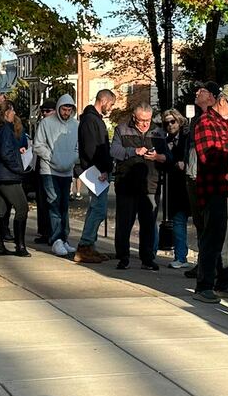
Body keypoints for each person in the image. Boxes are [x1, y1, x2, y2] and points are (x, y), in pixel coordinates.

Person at [191, 83, 228, 304]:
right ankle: (204, 284)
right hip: (215, 189)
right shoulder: (205, 122)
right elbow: (209, 157)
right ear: (223, 101)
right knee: (213, 237)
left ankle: (224, 281)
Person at [110, 103, 167, 271]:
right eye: (141, 120)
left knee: (148, 223)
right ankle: (123, 256)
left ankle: (147, 258)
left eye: (148, 120)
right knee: (124, 223)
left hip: (150, 183)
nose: (144, 124)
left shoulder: (158, 132)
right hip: (127, 184)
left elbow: (168, 157)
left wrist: (158, 157)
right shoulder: (122, 129)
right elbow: (114, 151)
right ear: (134, 118)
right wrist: (134, 151)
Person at [71, 90, 116, 263]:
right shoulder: (91, 120)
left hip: (96, 169)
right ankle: (86, 245)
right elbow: (92, 148)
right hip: (95, 171)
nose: (110, 108)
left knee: (96, 208)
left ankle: (89, 245)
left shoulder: (92, 119)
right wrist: (103, 168)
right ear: (103, 100)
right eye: (110, 104)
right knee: (98, 209)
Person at [0, 99, 30, 256]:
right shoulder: (5, 130)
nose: (15, 113)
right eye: (13, 111)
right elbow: (6, 153)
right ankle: (20, 246)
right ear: (7, 112)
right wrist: (19, 169)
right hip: (8, 176)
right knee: (22, 207)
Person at [34, 95, 79, 256]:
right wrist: (51, 157)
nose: (66, 113)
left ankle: (63, 238)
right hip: (49, 170)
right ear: (59, 108)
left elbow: (78, 148)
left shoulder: (76, 125)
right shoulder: (46, 123)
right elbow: (38, 145)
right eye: (64, 109)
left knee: (64, 206)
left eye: (69, 110)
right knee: (54, 204)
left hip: (66, 171)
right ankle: (56, 240)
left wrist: (71, 160)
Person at [181, 85, 216, 278]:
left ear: (211, 96)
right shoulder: (196, 118)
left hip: (207, 179)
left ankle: (211, 266)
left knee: (210, 223)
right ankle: (203, 263)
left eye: (200, 91)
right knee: (199, 222)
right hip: (193, 176)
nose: (196, 93)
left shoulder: (215, 118)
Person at [161, 109, 193, 269]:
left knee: (200, 223)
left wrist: (185, 164)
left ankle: (204, 259)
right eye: (166, 123)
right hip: (175, 186)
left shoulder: (187, 137)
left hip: (189, 184)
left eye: (172, 121)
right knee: (179, 222)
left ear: (179, 121)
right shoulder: (165, 140)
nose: (169, 125)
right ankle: (181, 256)